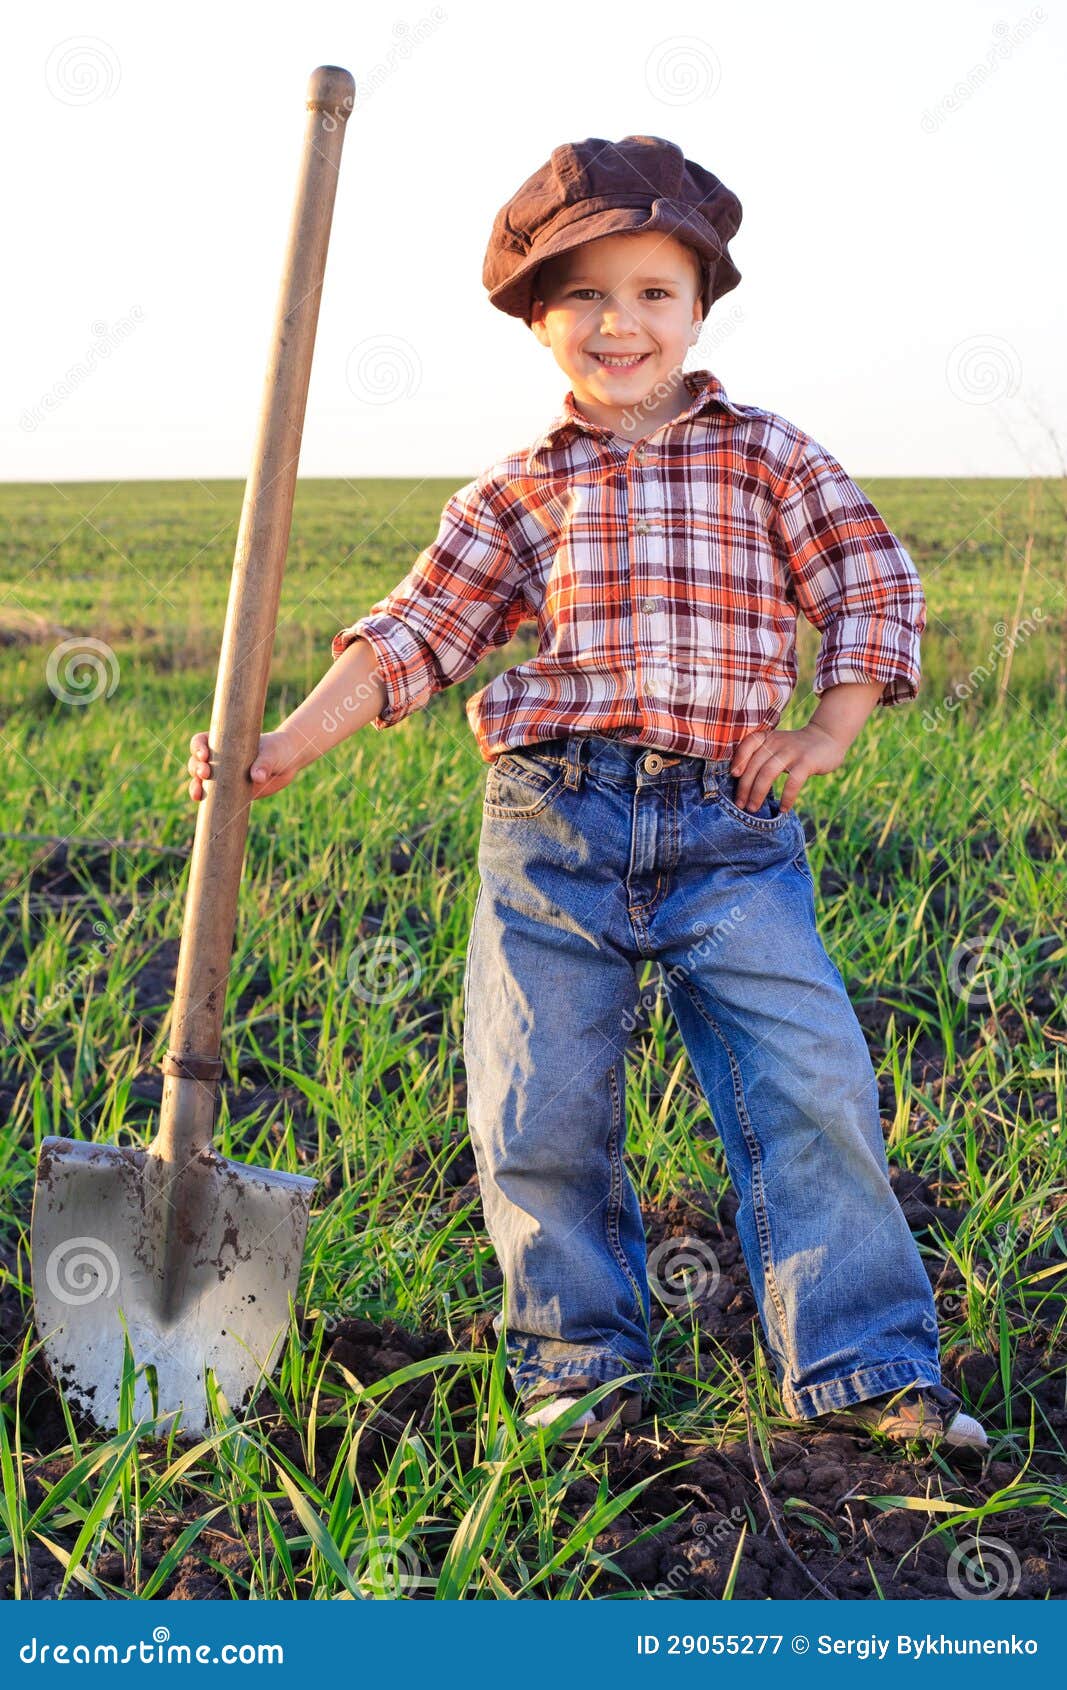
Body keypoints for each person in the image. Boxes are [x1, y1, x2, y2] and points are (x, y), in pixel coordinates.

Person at [188, 134, 987, 1454]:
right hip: (554, 827)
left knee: (812, 1083)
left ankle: (864, 1373)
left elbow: (867, 582)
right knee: (535, 1099)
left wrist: (830, 727)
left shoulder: (770, 457)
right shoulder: (519, 490)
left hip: (730, 830)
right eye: (587, 296)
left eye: (654, 291)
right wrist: (279, 745)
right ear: (538, 316)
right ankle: (578, 1369)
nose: (622, 322)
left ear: (700, 305)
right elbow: (411, 635)